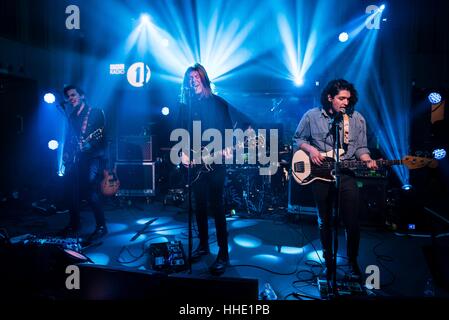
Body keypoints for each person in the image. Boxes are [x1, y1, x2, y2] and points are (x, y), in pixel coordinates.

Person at [293, 79, 377, 281]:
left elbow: (361, 149)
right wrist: (312, 150)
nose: (345, 102)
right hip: (320, 175)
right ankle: (328, 262)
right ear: (330, 98)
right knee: (325, 222)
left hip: (346, 175)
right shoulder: (312, 116)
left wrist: (368, 160)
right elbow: (298, 139)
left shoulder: (357, 119)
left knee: (352, 222)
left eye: (348, 98)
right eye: (341, 98)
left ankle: (352, 261)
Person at [176, 63, 233, 275]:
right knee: (198, 205)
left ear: (204, 79)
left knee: (216, 207)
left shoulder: (218, 103)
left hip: (215, 162)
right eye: (190, 80)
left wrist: (227, 147)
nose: (193, 82)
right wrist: (182, 152)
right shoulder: (186, 107)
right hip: (195, 165)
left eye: (196, 78)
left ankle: (224, 254)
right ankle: (203, 245)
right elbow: (179, 132)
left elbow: (228, 132)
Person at [59, 85, 108, 242]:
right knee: (71, 190)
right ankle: (74, 224)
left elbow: (103, 134)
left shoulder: (95, 112)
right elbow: (69, 137)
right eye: (68, 96)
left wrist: (90, 145)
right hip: (77, 157)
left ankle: (101, 226)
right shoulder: (72, 116)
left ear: (82, 96)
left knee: (89, 190)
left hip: (94, 157)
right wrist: (66, 152)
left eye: (73, 95)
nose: (70, 98)